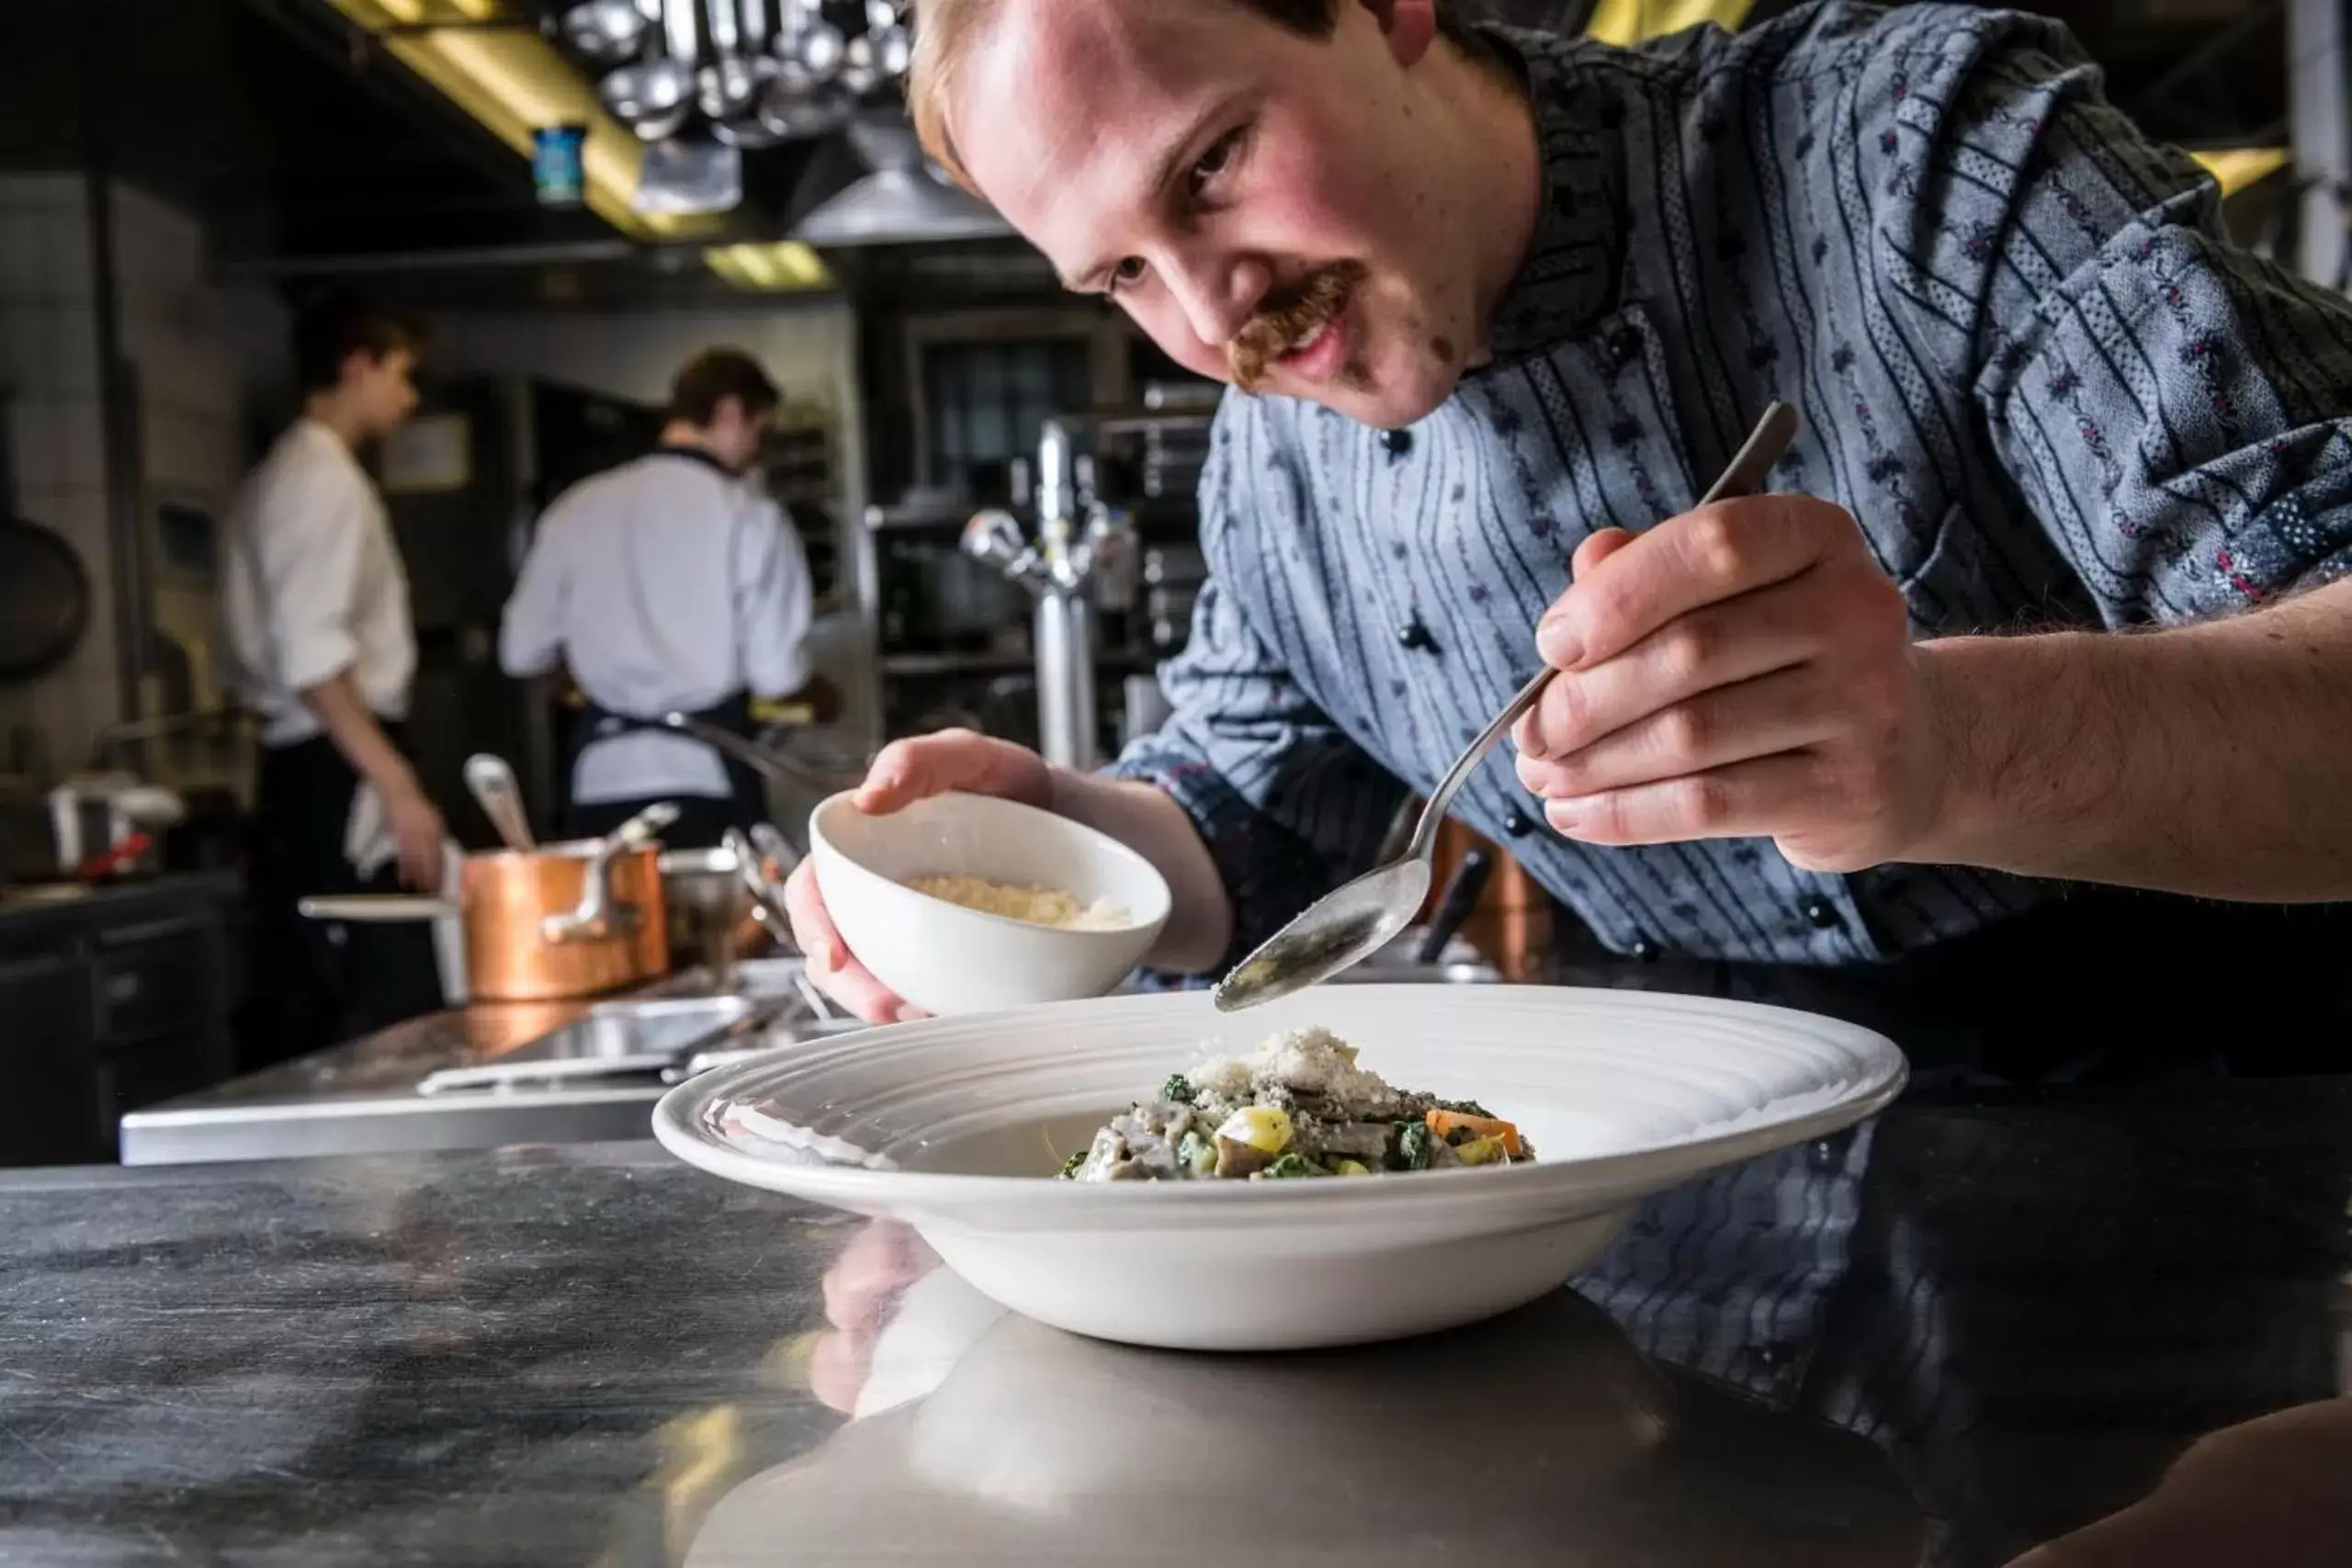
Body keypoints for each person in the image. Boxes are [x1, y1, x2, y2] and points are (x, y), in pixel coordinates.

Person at [788, 0, 2352, 1057]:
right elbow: (1260, 831)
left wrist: (1945, 746)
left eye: (1210, 168)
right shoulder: (1273, 468)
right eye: (1123, 275)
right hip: (1698, 1207)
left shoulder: (1917, 159)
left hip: (2236, 1137)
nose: (1214, 316)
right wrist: (1044, 848)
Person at [221, 290, 447, 1051]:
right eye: (401, 374)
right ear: (358, 366)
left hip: (315, 760)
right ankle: (385, 1174)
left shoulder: (284, 474)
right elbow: (313, 662)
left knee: (340, 984)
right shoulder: (320, 481)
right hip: (337, 760)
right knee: (386, 999)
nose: (409, 397)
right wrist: (397, 784)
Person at [499, 348, 820, 849]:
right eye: (760, 431)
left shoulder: (579, 507)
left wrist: (583, 678)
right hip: (706, 779)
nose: (758, 450)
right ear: (730, 412)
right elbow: (777, 675)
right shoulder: (749, 516)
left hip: (598, 781)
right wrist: (818, 693)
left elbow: (520, 653)